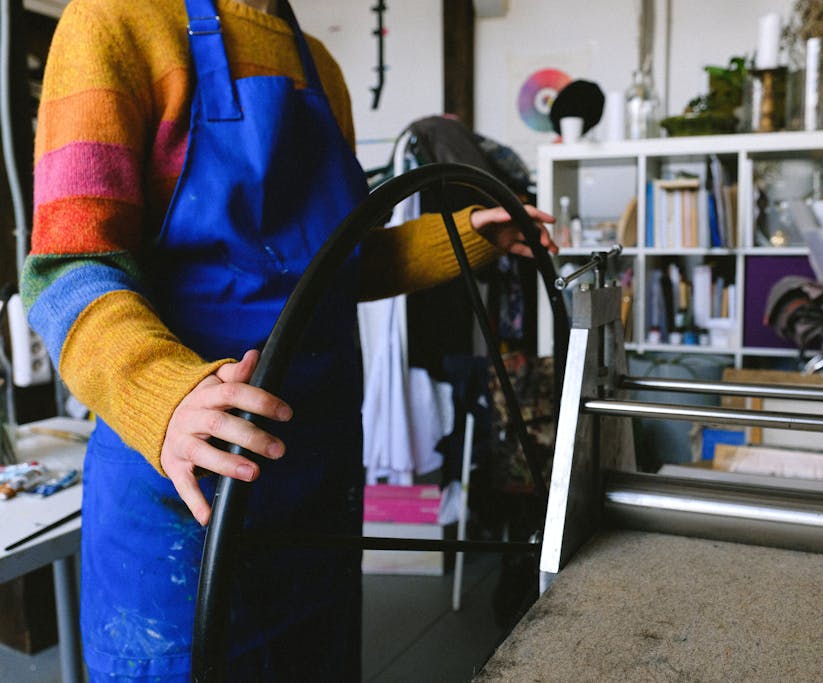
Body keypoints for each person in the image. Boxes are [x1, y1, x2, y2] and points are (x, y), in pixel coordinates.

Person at [20, 0, 556, 679]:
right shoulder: (115, 21)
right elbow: (67, 268)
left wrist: (467, 235)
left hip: (318, 485)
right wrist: (161, 391)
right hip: (185, 486)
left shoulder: (319, 64)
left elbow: (334, 262)